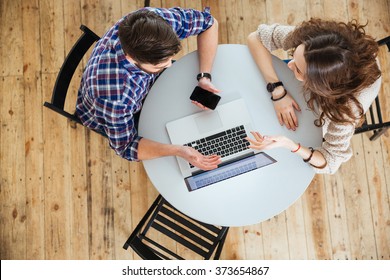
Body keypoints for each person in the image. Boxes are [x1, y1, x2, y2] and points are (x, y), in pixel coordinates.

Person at [76, 7, 221, 170]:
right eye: (160, 64)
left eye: (170, 58)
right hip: (122, 115)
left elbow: (209, 23)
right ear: (131, 58)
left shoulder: (152, 24)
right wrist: (179, 150)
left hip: (147, 87)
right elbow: (127, 147)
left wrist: (204, 76)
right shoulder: (113, 97)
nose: (169, 65)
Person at [246, 18, 381, 174]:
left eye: (297, 70)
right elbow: (256, 37)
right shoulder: (316, 45)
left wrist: (291, 145)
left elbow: (330, 161)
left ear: (320, 88)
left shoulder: (345, 109)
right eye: (295, 55)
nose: (289, 64)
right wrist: (277, 90)